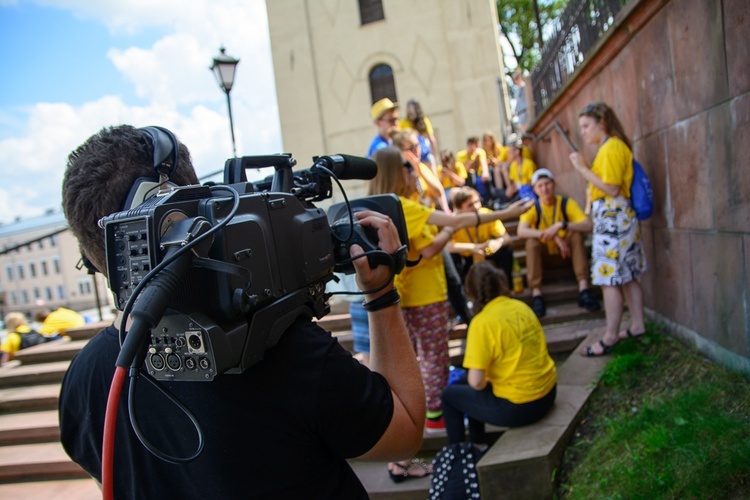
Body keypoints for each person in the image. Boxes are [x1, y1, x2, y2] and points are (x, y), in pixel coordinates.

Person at [59, 125, 426, 498]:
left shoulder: (84, 379)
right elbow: (406, 434)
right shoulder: (284, 351)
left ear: (93, 253)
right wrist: (380, 294)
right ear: (178, 209)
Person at [369, 147, 531, 481]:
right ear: (395, 171)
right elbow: (438, 239)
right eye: (407, 167)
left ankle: (408, 447)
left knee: (412, 365)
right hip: (424, 298)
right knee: (433, 362)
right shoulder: (401, 206)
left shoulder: (380, 206)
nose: (412, 172)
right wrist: (508, 211)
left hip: (404, 297)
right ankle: (430, 422)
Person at [440, 262, 557, 451]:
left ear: (470, 292)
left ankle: (458, 457)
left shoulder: (482, 323)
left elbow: (477, 383)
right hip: (549, 392)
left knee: (449, 396)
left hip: (522, 407)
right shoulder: (520, 306)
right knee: (464, 382)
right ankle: (478, 443)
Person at [569, 102, 648, 356]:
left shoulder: (612, 147)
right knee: (627, 276)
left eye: (586, 126)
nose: (583, 132)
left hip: (614, 219)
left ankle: (611, 336)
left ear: (601, 123)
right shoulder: (610, 147)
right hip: (616, 218)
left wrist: (582, 169)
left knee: (609, 280)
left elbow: (612, 188)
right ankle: (637, 326)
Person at [516, 168, 601, 317]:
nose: (545, 189)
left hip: (566, 253)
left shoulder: (566, 203)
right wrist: (552, 235)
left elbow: (588, 225)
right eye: (540, 186)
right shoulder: (533, 208)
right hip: (545, 257)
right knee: (531, 242)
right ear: (535, 190)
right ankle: (536, 294)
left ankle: (584, 289)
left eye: (547, 184)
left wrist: (562, 225)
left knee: (575, 234)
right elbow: (521, 231)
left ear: (554, 185)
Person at [447, 186, 513, 285]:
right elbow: (446, 246)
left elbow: (507, 238)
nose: (476, 207)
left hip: (486, 254)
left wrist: (497, 243)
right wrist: (472, 247)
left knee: (506, 250)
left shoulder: (486, 214)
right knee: (451, 258)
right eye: (470, 205)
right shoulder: (453, 220)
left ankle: (504, 287)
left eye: (477, 202)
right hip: (466, 259)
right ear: (459, 209)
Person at [399, 99, 439, 174]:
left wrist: (434, 156)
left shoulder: (424, 120)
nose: (410, 112)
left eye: (411, 110)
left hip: (424, 156)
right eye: (408, 110)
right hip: (411, 157)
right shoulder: (403, 122)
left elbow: (432, 139)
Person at [456, 137, 491, 203]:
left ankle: (485, 200)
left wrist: (485, 172)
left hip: (479, 176)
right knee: (471, 174)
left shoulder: (480, 152)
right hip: (467, 178)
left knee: (483, 180)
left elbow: (484, 163)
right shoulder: (460, 155)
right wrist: (473, 159)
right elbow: (464, 169)